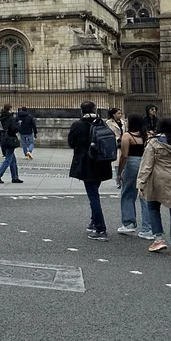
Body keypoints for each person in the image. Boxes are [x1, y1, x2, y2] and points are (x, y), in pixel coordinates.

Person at [68, 101, 115, 240]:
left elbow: (71, 143)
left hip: (87, 164)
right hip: (102, 163)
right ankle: (94, 222)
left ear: (81, 111)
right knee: (94, 193)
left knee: (93, 197)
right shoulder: (102, 123)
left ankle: (101, 229)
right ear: (94, 109)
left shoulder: (77, 125)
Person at [137, 115, 171, 257]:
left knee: (153, 207)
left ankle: (158, 239)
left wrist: (141, 182)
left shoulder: (154, 142)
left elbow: (147, 164)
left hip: (158, 178)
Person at [116, 113, 153, 237]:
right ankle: (148, 228)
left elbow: (124, 155)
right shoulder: (146, 135)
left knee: (127, 193)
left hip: (131, 163)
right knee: (144, 195)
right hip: (144, 163)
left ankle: (128, 223)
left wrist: (119, 172)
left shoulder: (127, 135)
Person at [0, 104, 24, 185]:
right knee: (8, 159)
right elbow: (13, 129)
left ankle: (15, 177)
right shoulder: (10, 117)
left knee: (13, 159)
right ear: (9, 109)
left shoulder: (3, 116)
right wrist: (19, 125)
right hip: (9, 139)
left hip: (3, 138)